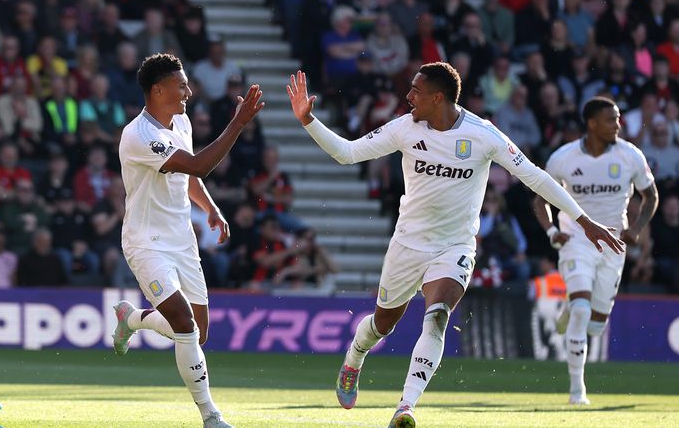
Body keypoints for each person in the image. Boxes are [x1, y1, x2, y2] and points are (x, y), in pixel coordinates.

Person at [286, 64, 624, 427]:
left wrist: (584, 220)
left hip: (455, 246)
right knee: (383, 324)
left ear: (437, 98)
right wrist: (309, 121)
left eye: (415, 91)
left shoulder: (483, 134)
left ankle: (406, 406)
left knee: (437, 317)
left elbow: (535, 176)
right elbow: (347, 153)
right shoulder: (405, 127)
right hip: (408, 244)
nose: (408, 97)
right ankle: (355, 356)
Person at [110, 53, 265, 428]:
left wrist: (210, 207)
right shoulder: (139, 135)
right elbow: (199, 165)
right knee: (185, 325)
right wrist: (238, 123)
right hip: (146, 241)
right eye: (181, 86)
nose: (188, 92)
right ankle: (210, 415)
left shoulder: (180, 121)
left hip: (182, 240)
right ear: (158, 89)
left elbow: (188, 173)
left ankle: (133, 318)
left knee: (199, 331)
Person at [530, 96, 658, 405]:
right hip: (576, 240)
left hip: (613, 244)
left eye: (617, 119)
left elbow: (650, 195)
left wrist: (637, 228)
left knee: (597, 326)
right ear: (591, 123)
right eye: (611, 119)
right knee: (582, 311)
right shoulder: (563, 158)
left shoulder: (630, 156)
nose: (618, 124)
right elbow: (539, 199)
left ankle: (569, 308)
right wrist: (552, 231)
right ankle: (577, 392)